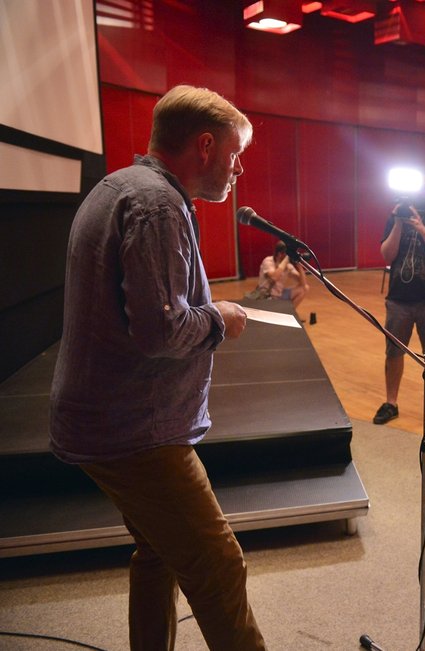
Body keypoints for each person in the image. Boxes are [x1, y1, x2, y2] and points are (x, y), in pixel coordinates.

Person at [49, 85, 266, 650]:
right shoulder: (158, 204)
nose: (238, 168)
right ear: (203, 145)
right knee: (219, 568)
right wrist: (218, 318)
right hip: (135, 430)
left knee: (158, 553)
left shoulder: (117, 187)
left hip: (106, 418)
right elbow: (161, 330)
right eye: (234, 153)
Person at [373, 175, 425, 426]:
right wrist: (399, 222)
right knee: (393, 353)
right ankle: (391, 403)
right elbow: (387, 255)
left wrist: (420, 227)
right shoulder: (394, 218)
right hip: (398, 300)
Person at [253, 240, 309, 308]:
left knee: (305, 288)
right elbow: (274, 277)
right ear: (279, 254)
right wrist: (286, 260)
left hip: (279, 294)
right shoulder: (268, 261)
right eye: (287, 254)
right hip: (266, 296)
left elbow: (303, 283)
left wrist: (299, 265)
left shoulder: (288, 265)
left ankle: (289, 313)